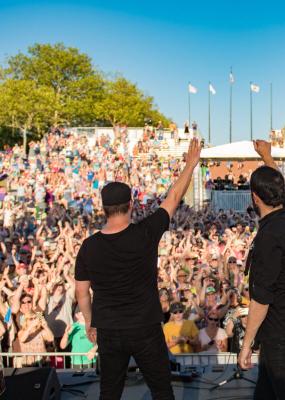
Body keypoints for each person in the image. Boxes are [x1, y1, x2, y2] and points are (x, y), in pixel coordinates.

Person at [74, 138, 202, 400]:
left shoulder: (89, 246)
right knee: (161, 390)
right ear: (131, 205)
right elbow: (174, 197)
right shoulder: (145, 233)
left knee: (109, 391)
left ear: (103, 209)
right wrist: (190, 164)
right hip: (145, 327)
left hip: (109, 328)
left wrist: (89, 322)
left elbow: (82, 292)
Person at [237, 140, 285, 400]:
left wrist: (246, 345)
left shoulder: (270, 236)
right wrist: (267, 157)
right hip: (284, 329)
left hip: (281, 334)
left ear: (254, 198)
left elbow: (262, 297)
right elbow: (284, 189)